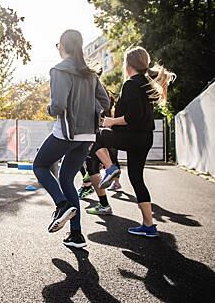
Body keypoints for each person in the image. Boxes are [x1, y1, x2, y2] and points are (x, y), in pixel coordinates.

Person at [32, 29, 110, 249]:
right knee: (66, 179)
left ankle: (61, 204)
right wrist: (90, 114)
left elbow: (58, 106)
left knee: (39, 165)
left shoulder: (58, 70)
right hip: (87, 136)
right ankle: (76, 235)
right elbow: (105, 103)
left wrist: (49, 108)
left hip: (67, 132)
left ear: (62, 47)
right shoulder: (91, 73)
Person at [88, 46, 176, 237]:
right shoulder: (146, 83)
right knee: (137, 179)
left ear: (129, 65)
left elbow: (133, 116)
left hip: (132, 136)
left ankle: (110, 168)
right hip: (144, 138)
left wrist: (111, 121)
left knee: (94, 136)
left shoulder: (131, 84)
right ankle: (149, 225)